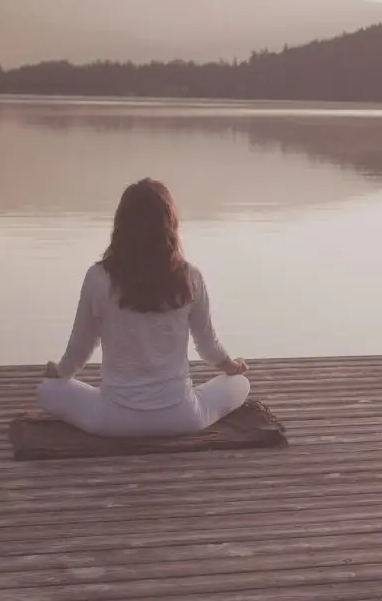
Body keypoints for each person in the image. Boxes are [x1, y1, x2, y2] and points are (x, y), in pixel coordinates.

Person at [37, 177, 250, 438]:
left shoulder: (98, 277)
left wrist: (59, 373)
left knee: (47, 390)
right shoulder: (190, 277)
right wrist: (232, 367)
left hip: (114, 421)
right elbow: (207, 346)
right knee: (240, 384)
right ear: (169, 226)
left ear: (121, 226)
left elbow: (80, 349)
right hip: (182, 417)